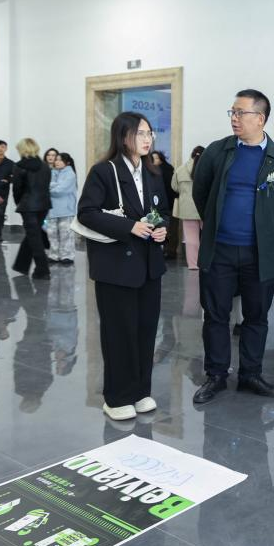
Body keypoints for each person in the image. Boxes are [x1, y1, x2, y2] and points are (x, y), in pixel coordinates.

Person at [191, 89, 274, 405]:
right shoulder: (218, 151)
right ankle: (216, 375)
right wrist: (217, 223)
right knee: (216, 315)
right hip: (220, 249)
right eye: (233, 112)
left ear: (260, 118)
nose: (234, 118)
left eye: (241, 113)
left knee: (256, 316)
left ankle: (250, 374)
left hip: (259, 254)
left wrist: (269, 237)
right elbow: (201, 192)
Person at [76, 112, 169, 420]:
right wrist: (129, 227)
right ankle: (116, 397)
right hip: (116, 267)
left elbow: (161, 212)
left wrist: (161, 229)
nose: (147, 139)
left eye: (149, 133)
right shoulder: (104, 171)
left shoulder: (153, 172)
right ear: (123, 136)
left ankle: (140, 391)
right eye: (140, 133)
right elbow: (87, 212)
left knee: (146, 331)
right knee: (119, 332)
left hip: (149, 266)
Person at [11, 138, 52, 279]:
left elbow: (17, 189)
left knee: (34, 238)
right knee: (33, 235)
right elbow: (46, 186)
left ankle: (43, 270)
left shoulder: (19, 166)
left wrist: (19, 203)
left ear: (23, 150)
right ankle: (21, 265)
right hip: (44, 205)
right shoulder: (45, 166)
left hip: (28, 206)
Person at [172, 145, 204, 269]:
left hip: (187, 208)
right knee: (208, 236)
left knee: (191, 237)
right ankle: (207, 262)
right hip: (204, 207)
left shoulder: (180, 169)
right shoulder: (207, 168)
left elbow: (174, 187)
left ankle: (193, 264)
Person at [46, 152, 78, 264]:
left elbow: (60, 191)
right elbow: (47, 186)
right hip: (52, 209)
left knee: (66, 234)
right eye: (56, 159)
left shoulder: (70, 174)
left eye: (60, 160)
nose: (57, 162)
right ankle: (53, 255)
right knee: (52, 234)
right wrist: (55, 185)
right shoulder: (52, 172)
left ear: (67, 162)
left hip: (66, 210)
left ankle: (67, 256)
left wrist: (52, 186)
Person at [150, 152, 178, 259]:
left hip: (167, 203)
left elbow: (172, 188)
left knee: (169, 228)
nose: (154, 161)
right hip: (162, 203)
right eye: (153, 159)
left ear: (161, 159)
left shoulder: (164, 170)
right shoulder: (152, 171)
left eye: (156, 158)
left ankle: (169, 251)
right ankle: (166, 250)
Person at [0, 140, 15, 241]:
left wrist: (8, 180)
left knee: (0, 213)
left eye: (2, 147)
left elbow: (15, 176)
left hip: (3, 191)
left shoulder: (10, 163)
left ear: (6, 148)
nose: (0, 149)